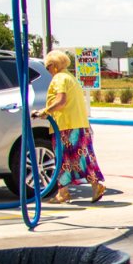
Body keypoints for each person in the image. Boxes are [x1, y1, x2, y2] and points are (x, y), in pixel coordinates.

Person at [31, 50, 106, 204]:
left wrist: (44, 112)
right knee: (81, 158)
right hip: (78, 124)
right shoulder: (71, 78)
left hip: (66, 125)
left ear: (54, 66)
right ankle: (74, 189)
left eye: (48, 67)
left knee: (63, 158)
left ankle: (66, 192)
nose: (48, 71)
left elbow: (61, 101)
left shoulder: (59, 78)